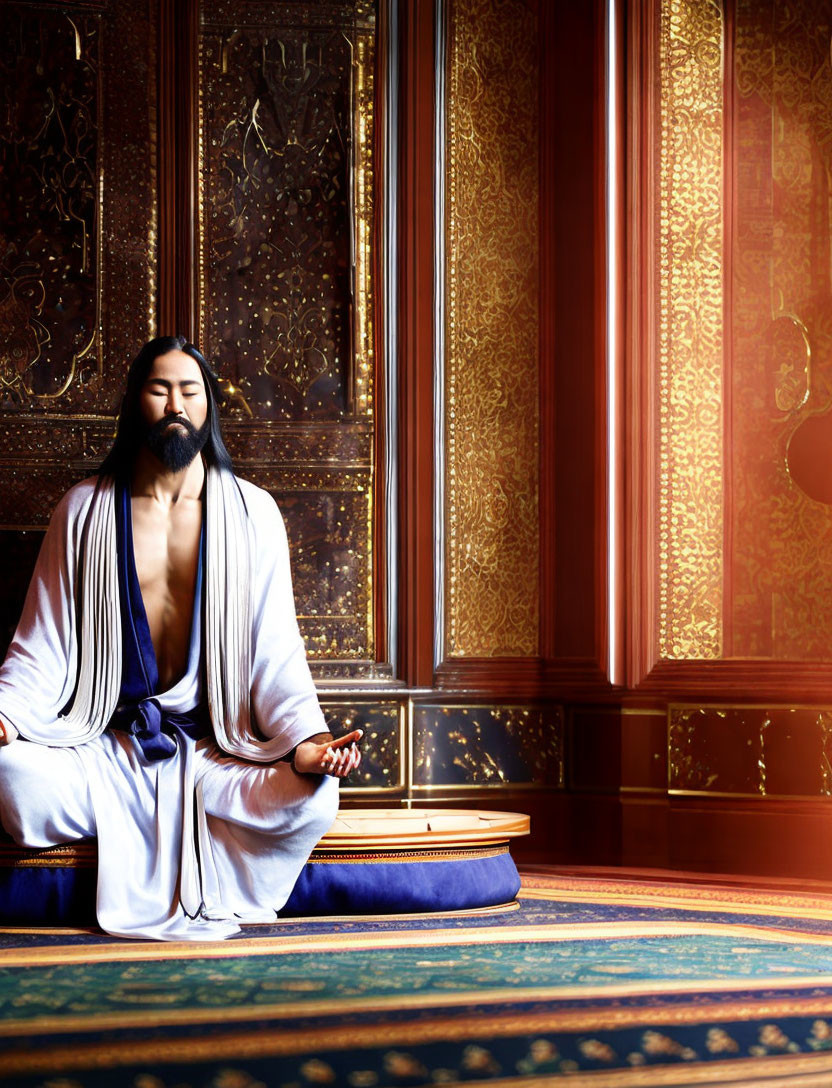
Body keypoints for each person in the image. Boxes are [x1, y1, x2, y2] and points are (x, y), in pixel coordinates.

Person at [0, 336, 361, 941]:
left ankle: (166, 838)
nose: (175, 404)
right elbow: (42, 645)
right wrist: (6, 714)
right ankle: (152, 830)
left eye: (189, 391)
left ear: (208, 405)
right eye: (159, 389)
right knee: (14, 779)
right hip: (105, 749)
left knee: (316, 799)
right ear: (135, 402)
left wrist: (308, 745)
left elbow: (277, 656)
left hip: (214, 754)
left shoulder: (253, 515)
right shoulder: (83, 511)